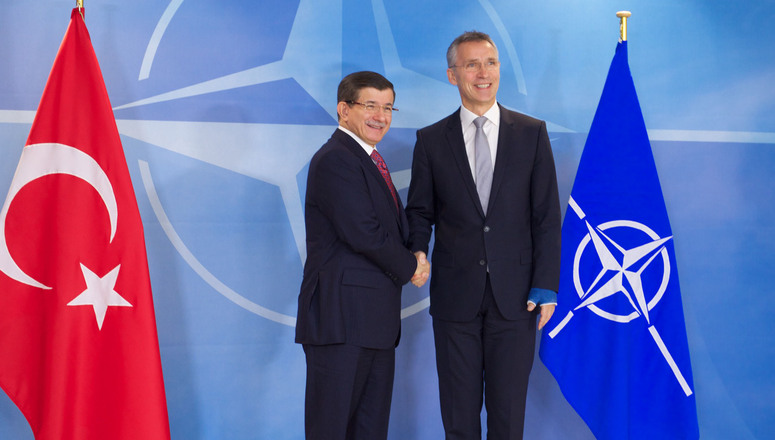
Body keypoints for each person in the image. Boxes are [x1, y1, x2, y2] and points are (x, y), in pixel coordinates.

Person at [405, 31, 561, 439]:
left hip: (518, 299)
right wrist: (418, 251)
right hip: (455, 298)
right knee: (458, 416)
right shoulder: (431, 140)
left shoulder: (532, 133)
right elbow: (420, 211)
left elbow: (546, 216)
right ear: (453, 74)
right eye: (471, 64)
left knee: (508, 416)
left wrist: (546, 286)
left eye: (490, 63)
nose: (483, 73)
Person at [295, 70, 429, 440]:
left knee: (369, 431)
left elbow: (389, 230)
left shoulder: (368, 160)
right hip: (341, 322)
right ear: (343, 109)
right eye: (370, 105)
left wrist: (416, 251)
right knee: (332, 429)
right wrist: (412, 267)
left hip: (373, 325)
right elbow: (364, 233)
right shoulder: (336, 159)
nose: (381, 116)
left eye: (388, 107)